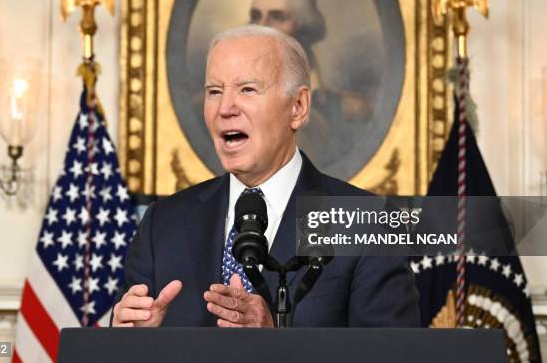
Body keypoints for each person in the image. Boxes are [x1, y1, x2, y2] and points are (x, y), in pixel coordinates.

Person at [112, 25, 419, 327]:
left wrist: (277, 343)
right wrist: (131, 342)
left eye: (247, 89)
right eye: (214, 92)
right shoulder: (162, 224)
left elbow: (391, 358)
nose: (225, 108)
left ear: (298, 107)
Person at [248, 0, 373, 168]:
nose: (261, 27)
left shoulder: (348, 111)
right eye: (256, 16)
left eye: (277, 17)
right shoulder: (217, 107)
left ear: (303, 27)